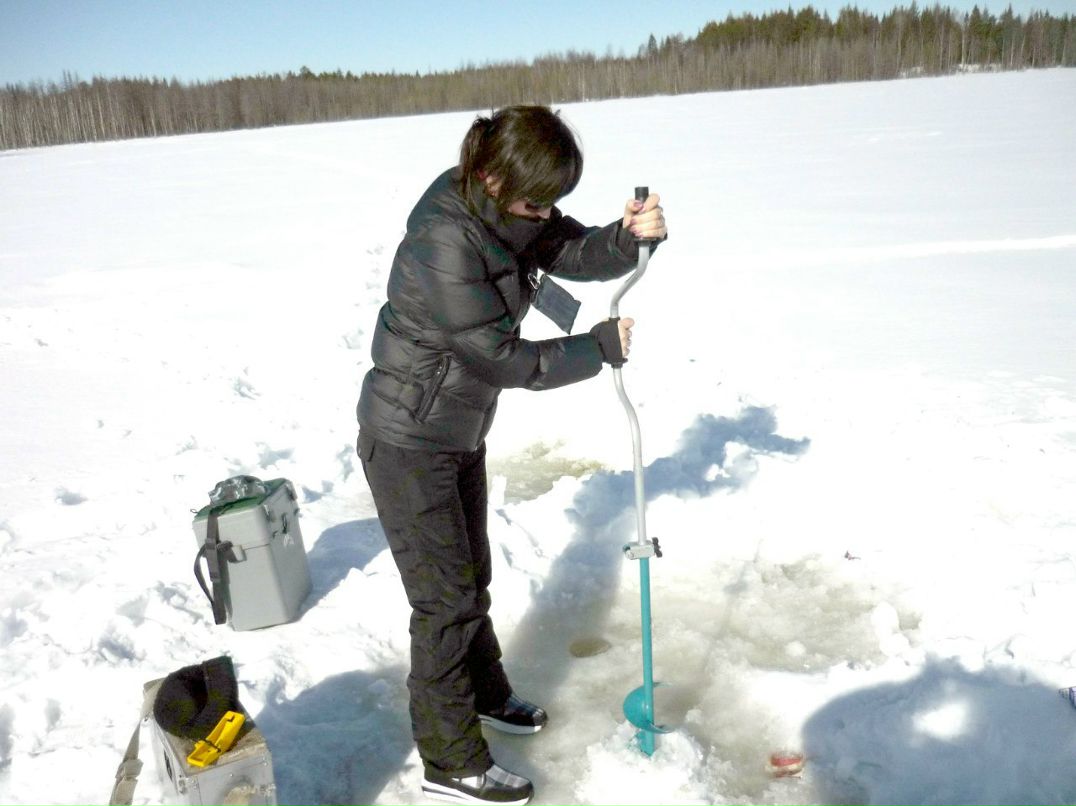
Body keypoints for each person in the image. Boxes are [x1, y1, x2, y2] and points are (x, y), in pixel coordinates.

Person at [355, 105, 667, 805]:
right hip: (408, 442)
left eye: (553, 201)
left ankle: (488, 695)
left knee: (471, 579)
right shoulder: (447, 240)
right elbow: (499, 356)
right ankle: (450, 763)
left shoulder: (510, 208)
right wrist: (596, 349)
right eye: (537, 200)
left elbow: (574, 252)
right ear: (493, 177)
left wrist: (629, 238)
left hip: (455, 430)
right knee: (443, 607)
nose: (545, 213)